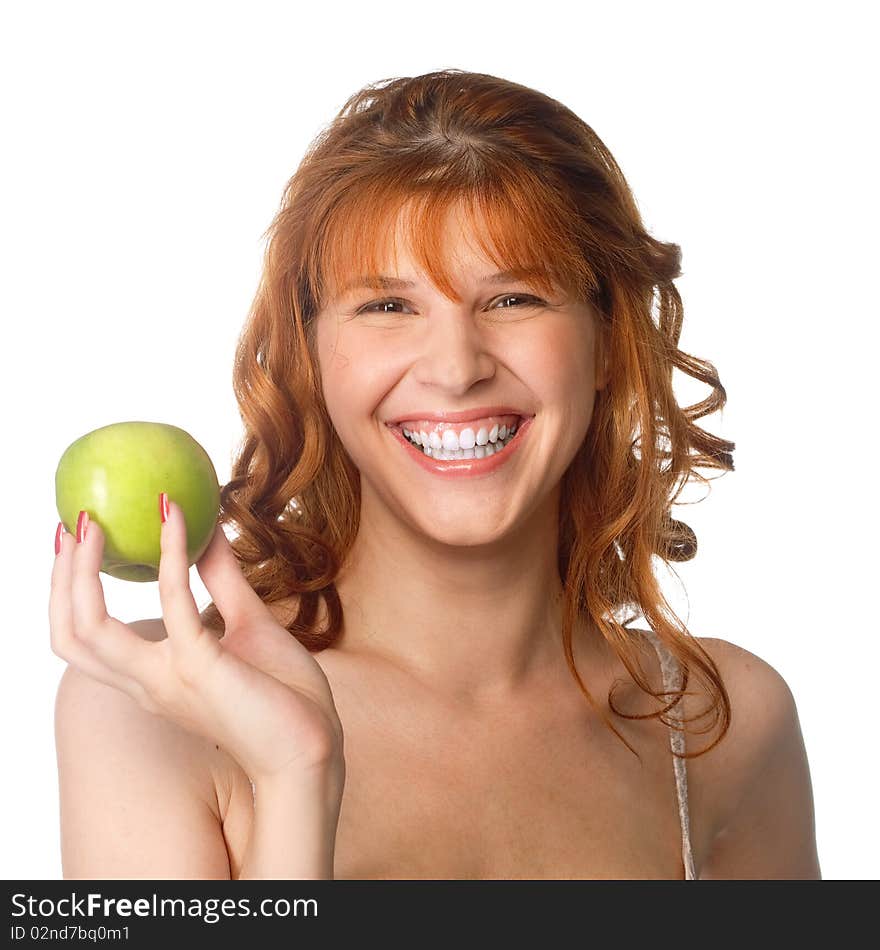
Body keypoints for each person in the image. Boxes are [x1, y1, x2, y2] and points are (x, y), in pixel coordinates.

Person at [50, 69, 821, 880]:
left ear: (605, 341)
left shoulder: (723, 724)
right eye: (388, 306)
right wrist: (295, 776)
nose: (456, 370)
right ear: (313, 355)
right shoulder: (149, 703)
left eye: (515, 298)